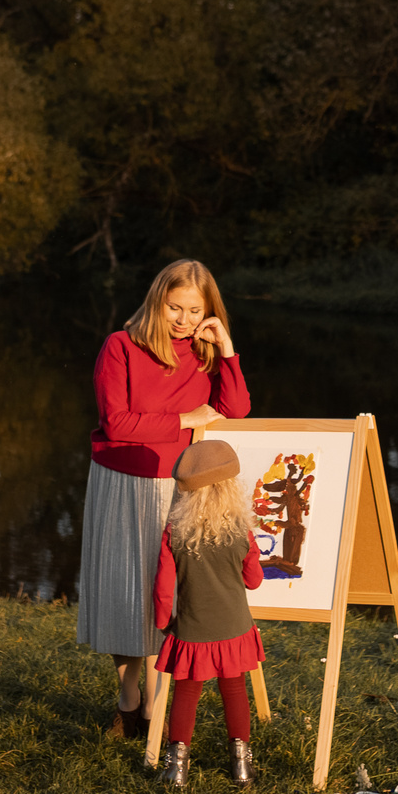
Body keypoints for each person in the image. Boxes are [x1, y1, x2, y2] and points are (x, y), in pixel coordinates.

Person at [77, 259, 249, 739]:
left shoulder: (205, 350)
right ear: (158, 300)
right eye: (176, 307)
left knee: (163, 592)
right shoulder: (121, 346)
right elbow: (118, 424)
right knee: (123, 592)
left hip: (178, 485)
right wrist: (188, 419)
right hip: (121, 479)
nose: (184, 319)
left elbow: (234, 409)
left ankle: (153, 707)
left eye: (196, 311)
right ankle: (128, 696)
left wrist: (227, 348)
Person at [150, 439, 265, 788]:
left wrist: (162, 623)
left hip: (191, 631)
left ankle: (176, 769)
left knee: (186, 693)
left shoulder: (175, 534)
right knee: (234, 691)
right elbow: (254, 580)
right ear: (230, 488)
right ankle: (241, 767)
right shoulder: (241, 532)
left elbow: (163, 589)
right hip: (234, 630)